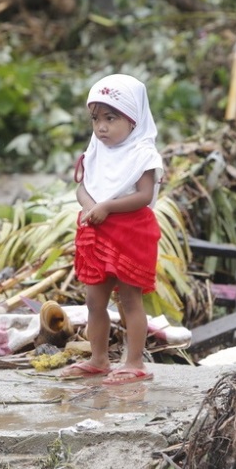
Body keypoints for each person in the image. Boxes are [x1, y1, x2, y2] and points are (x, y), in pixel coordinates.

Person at [61, 73, 163, 385]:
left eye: (110, 118)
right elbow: (82, 187)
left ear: (133, 120)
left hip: (130, 232)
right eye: (95, 119)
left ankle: (134, 362)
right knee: (94, 300)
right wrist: (90, 205)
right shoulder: (95, 149)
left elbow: (144, 196)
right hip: (97, 230)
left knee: (130, 299)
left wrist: (106, 208)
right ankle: (99, 358)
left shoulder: (143, 153)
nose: (101, 126)